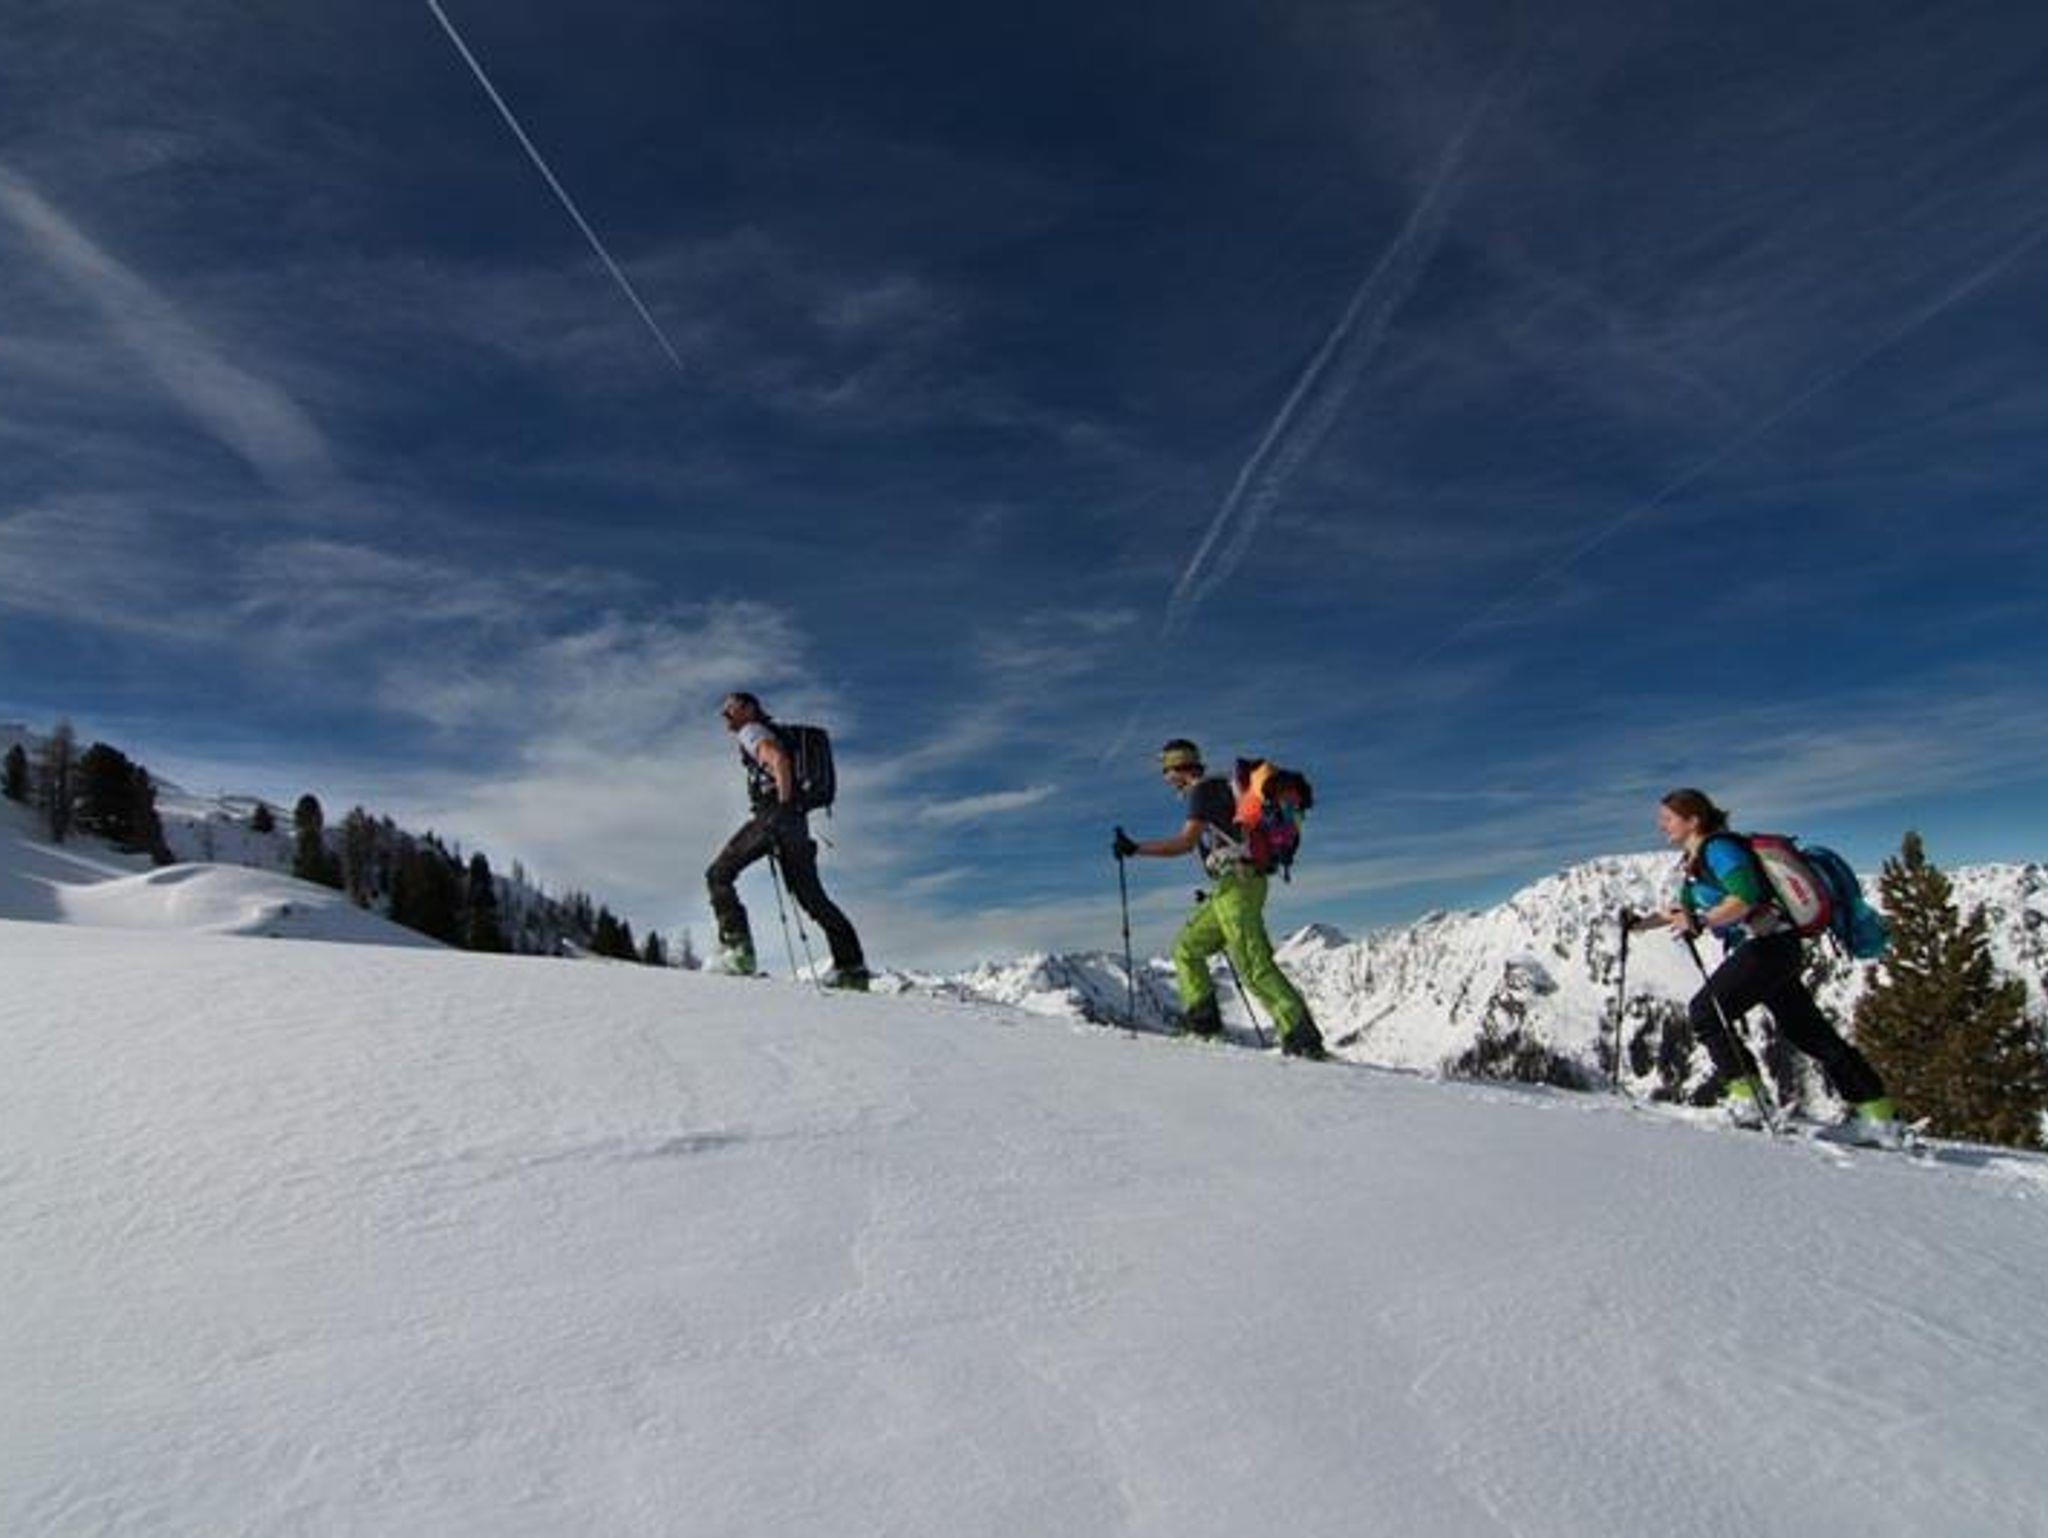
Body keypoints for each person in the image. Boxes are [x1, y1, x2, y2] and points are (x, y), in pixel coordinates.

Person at [1631, 787, 1900, 1144]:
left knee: (1706, 1013)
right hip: (1773, 949)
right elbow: (1683, 911)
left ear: (1693, 820)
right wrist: (1639, 924)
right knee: (1810, 1032)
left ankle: (1749, 1100)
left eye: (1668, 818)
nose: (1661, 825)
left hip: (1769, 948)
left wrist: (1703, 921)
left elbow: (1745, 896)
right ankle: (1878, 1115)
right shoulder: (1695, 862)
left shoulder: (1718, 850)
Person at [1114, 739, 1326, 1058]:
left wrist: (1136, 849)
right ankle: (1203, 1026)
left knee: (1253, 965)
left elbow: (1185, 843)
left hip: (1238, 885)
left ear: (1177, 767)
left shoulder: (1204, 791)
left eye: (1166, 770)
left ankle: (1302, 1039)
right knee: (1187, 948)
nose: (1166, 778)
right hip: (1233, 886)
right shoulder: (1219, 789)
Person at [707, 692, 869, 990]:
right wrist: (790, 810)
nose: (724, 714)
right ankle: (852, 968)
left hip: (774, 815)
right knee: (813, 898)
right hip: (796, 823)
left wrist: (781, 807)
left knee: (718, 874)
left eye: (730, 708)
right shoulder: (771, 732)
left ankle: (738, 951)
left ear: (749, 709)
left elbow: (777, 758)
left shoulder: (751, 730)